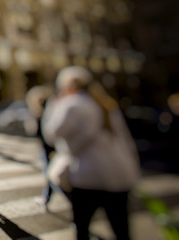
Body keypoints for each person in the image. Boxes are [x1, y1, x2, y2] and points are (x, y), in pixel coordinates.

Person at [42, 66, 139, 240]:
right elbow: (126, 141)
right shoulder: (105, 103)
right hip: (118, 175)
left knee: (82, 228)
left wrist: (53, 105)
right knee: (121, 229)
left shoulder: (71, 104)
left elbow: (50, 134)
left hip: (88, 176)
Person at [26, 85, 60, 211]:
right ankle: (47, 197)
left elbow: (35, 132)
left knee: (50, 174)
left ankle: (49, 197)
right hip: (51, 148)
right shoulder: (51, 113)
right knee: (50, 173)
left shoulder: (41, 115)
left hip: (48, 148)